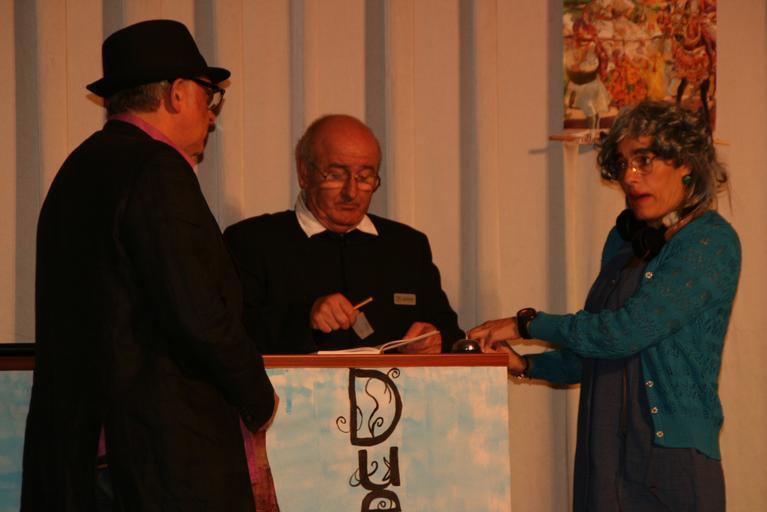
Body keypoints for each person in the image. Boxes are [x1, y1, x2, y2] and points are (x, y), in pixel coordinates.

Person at [21, 20, 277, 511]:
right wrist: (258, 396)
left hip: (83, 454)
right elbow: (198, 313)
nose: (211, 116)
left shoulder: (79, 169)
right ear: (177, 94)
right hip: (157, 460)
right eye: (208, 97)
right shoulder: (157, 169)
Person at [469, 101, 740, 511]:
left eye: (643, 161)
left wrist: (526, 324)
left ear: (685, 162)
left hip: (670, 462)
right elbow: (594, 353)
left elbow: (624, 332)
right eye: (623, 163)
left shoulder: (710, 242)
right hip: (604, 454)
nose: (629, 176)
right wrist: (525, 365)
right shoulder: (624, 241)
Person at [224, 114, 464, 354]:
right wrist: (304, 318)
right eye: (336, 175)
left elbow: (452, 336)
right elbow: (228, 335)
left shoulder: (407, 246)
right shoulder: (253, 242)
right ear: (304, 173)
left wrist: (434, 340)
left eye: (364, 178)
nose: (351, 192)